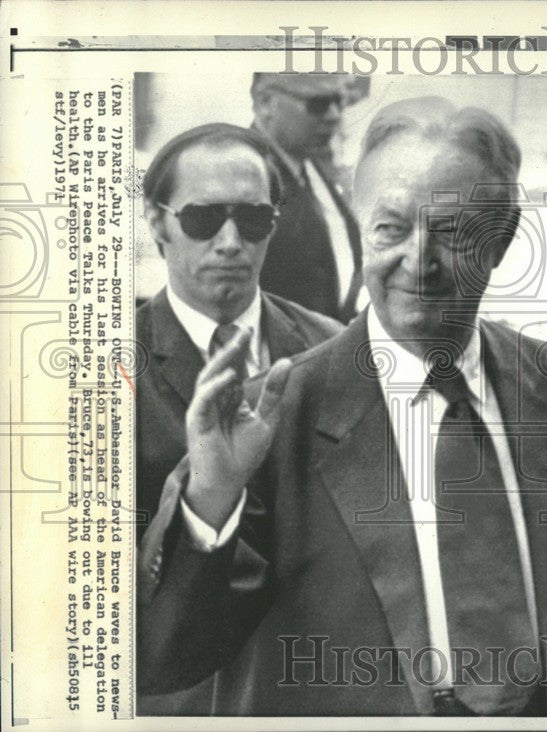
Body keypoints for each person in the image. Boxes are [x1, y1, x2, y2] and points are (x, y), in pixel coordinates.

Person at [136, 97, 547, 717]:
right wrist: (210, 502)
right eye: (391, 227)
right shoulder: (271, 418)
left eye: (453, 231)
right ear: (361, 230)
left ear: (505, 239)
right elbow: (166, 659)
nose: (418, 260)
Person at [135, 123, 343, 713]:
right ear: (157, 223)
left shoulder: (334, 351)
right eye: (203, 219)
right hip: (175, 700)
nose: (230, 242)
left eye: (253, 221)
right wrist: (208, 500)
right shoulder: (103, 371)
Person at [251, 73, 363, 324]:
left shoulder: (310, 164)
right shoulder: (246, 174)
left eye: (339, 101)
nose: (334, 116)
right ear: (266, 103)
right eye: (319, 104)